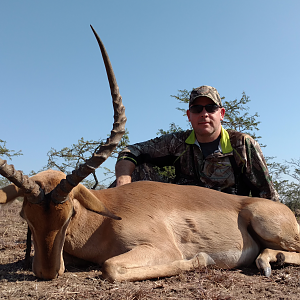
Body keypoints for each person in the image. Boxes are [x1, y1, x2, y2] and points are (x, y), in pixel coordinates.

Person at [115, 85, 279, 201]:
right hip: (185, 213)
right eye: (197, 109)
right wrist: (123, 181)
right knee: (138, 169)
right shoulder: (176, 142)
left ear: (221, 113)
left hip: (229, 217)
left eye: (210, 108)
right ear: (189, 115)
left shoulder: (243, 144)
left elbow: (268, 195)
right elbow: (130, 150)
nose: (204, 114)